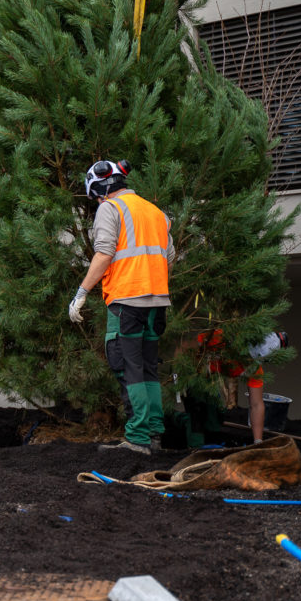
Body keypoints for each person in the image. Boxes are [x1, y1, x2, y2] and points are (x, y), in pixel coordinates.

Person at [68, 159, 175, 455]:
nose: (97, 202)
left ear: (101, 187)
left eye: (96, 196)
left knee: (130, 369)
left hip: (127, 300)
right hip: (157, 302)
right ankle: (154, 435)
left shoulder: (110, 208)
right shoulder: (156, 212)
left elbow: (104, 254)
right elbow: (170, 254)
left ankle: (138, 439)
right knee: (149, 368)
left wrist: (81, 292)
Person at [197, 328, 289, 444]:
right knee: (201, 408)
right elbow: (186, 346)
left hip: (208, 379)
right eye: (247, 358)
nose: (247, 362)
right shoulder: (220, 337)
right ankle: (194, 442)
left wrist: (258, 441)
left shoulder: (254, 368)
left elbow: (256, 404)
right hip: (192, 374)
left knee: (215, 415)